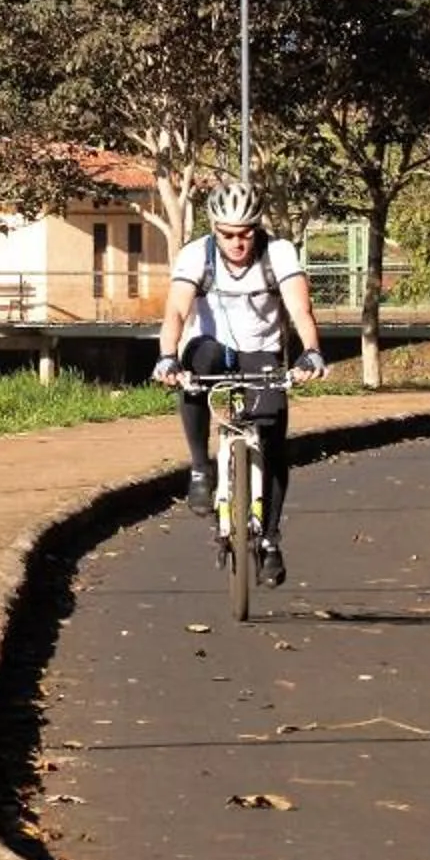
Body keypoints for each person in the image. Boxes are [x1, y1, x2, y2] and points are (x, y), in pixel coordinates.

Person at [151, 181, 326, 587]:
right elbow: (177, 309)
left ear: (257, 228)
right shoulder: (197, 254)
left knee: (273, 432)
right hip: (210, 349)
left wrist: (311, 351)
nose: (236, 242)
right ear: (214, 229)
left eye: (245, 233)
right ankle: (199, 467)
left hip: (260, 353)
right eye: (227, 234)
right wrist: (167, 356)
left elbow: (300, 308)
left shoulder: (278, 253)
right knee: (198, 370)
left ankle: (269, 539)